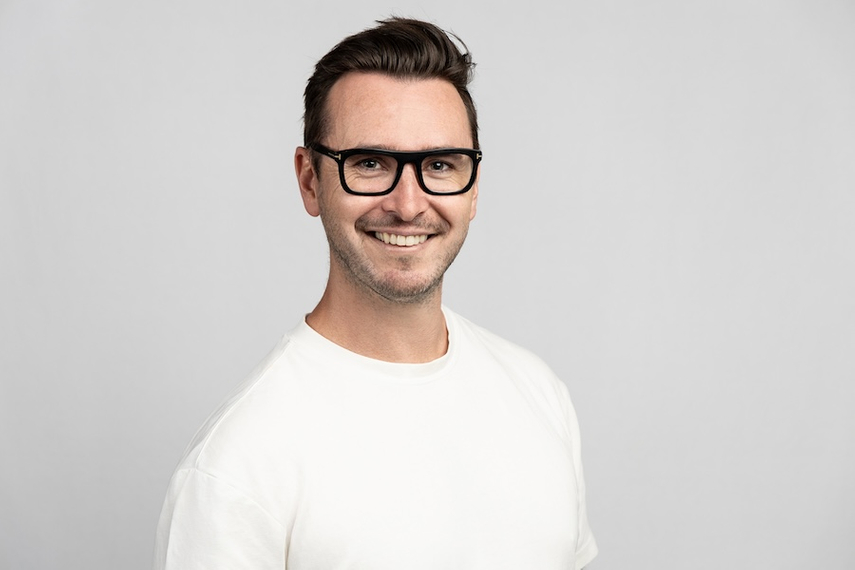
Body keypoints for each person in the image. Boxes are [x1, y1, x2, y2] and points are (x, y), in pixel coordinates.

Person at [154, 17, 597, 570]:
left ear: (474, 188)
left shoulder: (540, 394)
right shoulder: (237, 465)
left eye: (440, 165)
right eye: (369, 163)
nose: (408, 205)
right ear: (310, 180)